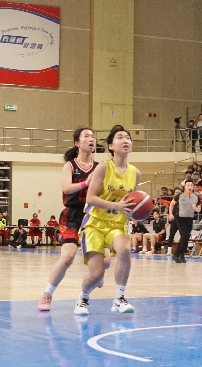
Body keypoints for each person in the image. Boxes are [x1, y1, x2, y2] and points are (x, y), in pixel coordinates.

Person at [38, 128, 111, 312]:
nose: (91, 139)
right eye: (86, 136)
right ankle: (47, 294)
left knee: (106, 262)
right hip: (72, 214)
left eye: (93, 136)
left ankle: (92, 282)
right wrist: (86, 182)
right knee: (68, 256)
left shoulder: (100, 167)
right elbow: (67, 188)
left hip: (93, 214)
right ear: (77, 143)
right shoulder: (70, 166)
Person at [76, 125, 141, 315]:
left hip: (117, 224)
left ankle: (119, 298)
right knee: (97, 275)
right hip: (95, 223)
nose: (125, 140)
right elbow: (90, 198)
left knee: (125, 251)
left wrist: (135, 212)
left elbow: (132, 202)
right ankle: (83, 298)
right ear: (111, 146)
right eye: (120, 137)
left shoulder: (135, 173)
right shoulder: (104, 167)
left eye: (128, 137)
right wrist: (116, 205)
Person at [168, 180, 201, 263]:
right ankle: (181, 255)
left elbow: (199, 209)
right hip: (180, 217)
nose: (189, 187)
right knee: (185, 235)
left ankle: (177, 254)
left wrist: (195, 208)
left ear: (193, 187)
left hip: (189, 218)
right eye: (188, 185)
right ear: (185, 187)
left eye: (191, 185)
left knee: (185, 237)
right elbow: (171, 204)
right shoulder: (180, 195)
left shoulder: (196, 197)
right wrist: (170, 214)